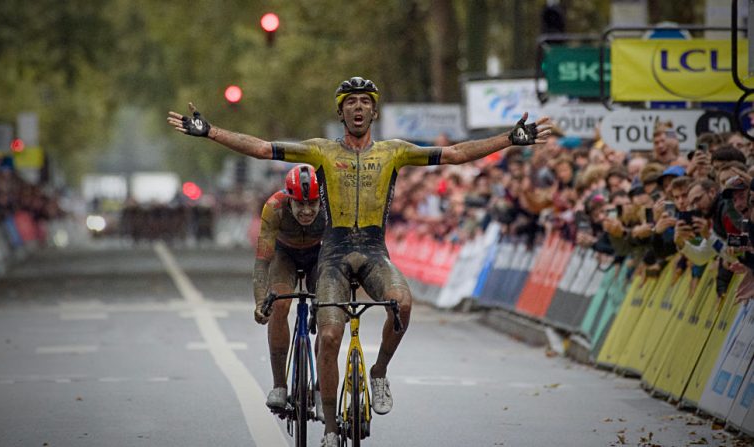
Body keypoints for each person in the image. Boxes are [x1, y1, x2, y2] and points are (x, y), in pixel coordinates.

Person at [167, 76, 552, 446]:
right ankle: (331, 429)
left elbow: (454, 154)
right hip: (332, 254)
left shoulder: (394, 152)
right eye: (350, 102)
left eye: (365, 102)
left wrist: (510, 140)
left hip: (373, 251)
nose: (358, 107)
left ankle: (380, 371)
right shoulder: (321, 150)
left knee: (402, 302)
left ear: (374, 112)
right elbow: (264, 148)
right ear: (341, 113)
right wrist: (211, 131)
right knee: (330, 336)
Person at [252, 164, 325, 410]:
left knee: (329, 309)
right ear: (289, 198)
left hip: (319, 255)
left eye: (312, 204)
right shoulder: (274, 207)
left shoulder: (333, 205)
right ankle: (280, 386)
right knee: (279, 303)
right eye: (300, 205)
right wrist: (261, 301)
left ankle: (321, 385)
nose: (306, 211)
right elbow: (262, 261)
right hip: (285, 256)